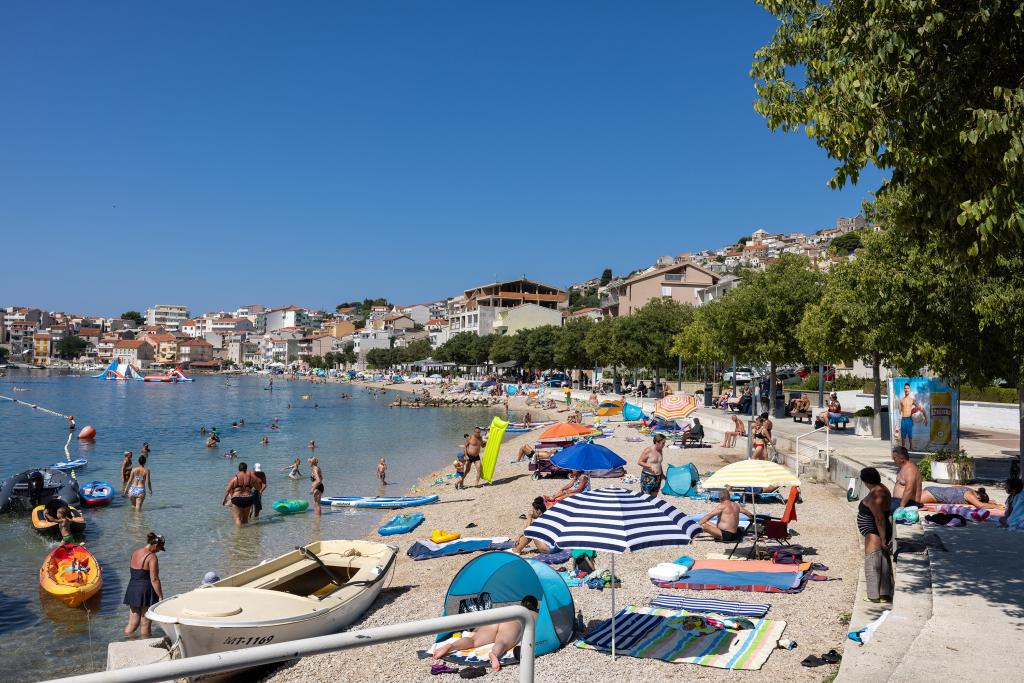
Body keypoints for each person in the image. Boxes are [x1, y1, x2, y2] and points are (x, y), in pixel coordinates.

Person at [433, 595, 539, 672]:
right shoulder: (534, 613)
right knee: (502, 641)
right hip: (512, 623)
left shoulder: (514, 608)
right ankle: (494, 654)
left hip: (499, 618)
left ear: (522, 604)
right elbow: (540, 627)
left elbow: (476, 630)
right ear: (535, 606)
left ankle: (451, 646)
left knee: (474, 640)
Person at [858, 467, 893, 603]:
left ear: (866, 481)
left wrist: (883, 538)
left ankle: (873, 596)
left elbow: (879, 518)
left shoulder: (875, 496)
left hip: (874, 530)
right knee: (883, 559)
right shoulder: (882, 488)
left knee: (872, 562)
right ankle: (884, 594)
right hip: (877, 529)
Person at [123, 532, 165, 637]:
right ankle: (145, 642)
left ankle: (126, 640)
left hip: (132, 588)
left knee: (132, 622)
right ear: (155, 545)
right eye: (159, 548)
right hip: (145, 590)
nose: (158, 551)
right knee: (145, 623)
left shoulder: (135, 552)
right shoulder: (152, 557)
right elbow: (154, 579)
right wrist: (160, 596)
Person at [897, 382, 926, 450]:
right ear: (904, 389)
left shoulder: (912, 400)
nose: (906, 389)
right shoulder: (901, 400)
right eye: (905, 388)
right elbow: (899, 412)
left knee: (910, 435)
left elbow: (920, 408)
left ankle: (911, 448)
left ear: (909, 389)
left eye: (907, 388)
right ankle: (903, 449)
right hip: (903, 419)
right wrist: (898, 421)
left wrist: (925, 417)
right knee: (903, 436)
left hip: (909, 419)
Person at [920, 485, 1001, 509]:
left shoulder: (970, 490)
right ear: (979, 498)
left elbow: (955, 486)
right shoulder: (970, 495)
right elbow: (980, 505)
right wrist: (995, 506)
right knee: (912, 501)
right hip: (933, 495)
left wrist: (989, 502)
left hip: (934, 489)